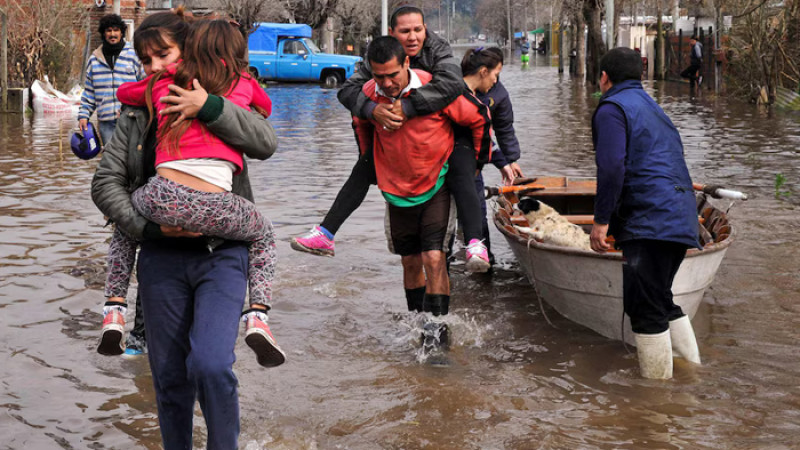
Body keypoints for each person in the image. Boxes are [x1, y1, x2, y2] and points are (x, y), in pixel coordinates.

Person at [91, 9, 279, 448]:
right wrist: (150, 230)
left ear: (190, 49)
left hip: (222, 253)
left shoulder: (225, 92)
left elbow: (265, 142)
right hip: (161, 257)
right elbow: (105, 183)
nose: (154, 67)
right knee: (170, 376)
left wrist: (209, 106)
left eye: (164, 55)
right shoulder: (137, 112)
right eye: (146, 60)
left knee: (211, 365)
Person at [291, 6, 493, 273]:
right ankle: (326, 233)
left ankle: (476, 244)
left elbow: (451, 86)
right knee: (365, 166)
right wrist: (372, 110)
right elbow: (349, 92)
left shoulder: (439, 50)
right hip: (404, 140)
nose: (412, 37)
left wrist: (408, 106)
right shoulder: (381, 56)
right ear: (392, 33)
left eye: (418, 30)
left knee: (462, 176)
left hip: (450, 133)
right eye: (405, 31)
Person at [351, 36, 491, 349]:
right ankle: (417, 324)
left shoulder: (435, 89)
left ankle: (438, 334)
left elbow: (479, 118)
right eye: (379, 77)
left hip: (437, 182)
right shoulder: (369, 95)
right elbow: (358, 122)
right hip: (397, 188)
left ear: (406, 63)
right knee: (410, 262)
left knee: (434, 257)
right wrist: (370, 160)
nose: (387, 83)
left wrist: (476, 163)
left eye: (393, 75)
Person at [588, 47, 702, 380]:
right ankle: (694, 377)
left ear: (604, 78)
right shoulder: (653, 107)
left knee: (644, 307)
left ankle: (657, 398)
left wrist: (601, 221)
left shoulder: (611, 108)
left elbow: (612, 167)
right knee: (661, 300)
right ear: (640, 75)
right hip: (680, 215)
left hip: (649, 220)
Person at [467, 47, 524, 268]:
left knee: (476, 211)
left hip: (475, 164)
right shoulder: (458, 93)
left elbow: (504, 128)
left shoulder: (498, 93)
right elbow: (474, 136)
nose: (495, 79)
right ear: (483, 71)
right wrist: (500, 160)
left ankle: (485, 263)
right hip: (455, 163)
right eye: (495, 73)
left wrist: (511, 159)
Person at [79, 14, 143, 147]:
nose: (112, 34)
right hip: (106, 122)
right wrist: (84, 115)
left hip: (131, 118)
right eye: (108, 30)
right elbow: (89, 92)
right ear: (103, 33)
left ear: (121, 32)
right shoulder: (94, 59)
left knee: (132, 155)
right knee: (110, 155)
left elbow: (144, 85)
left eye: (116, 30)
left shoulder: (133, 55)